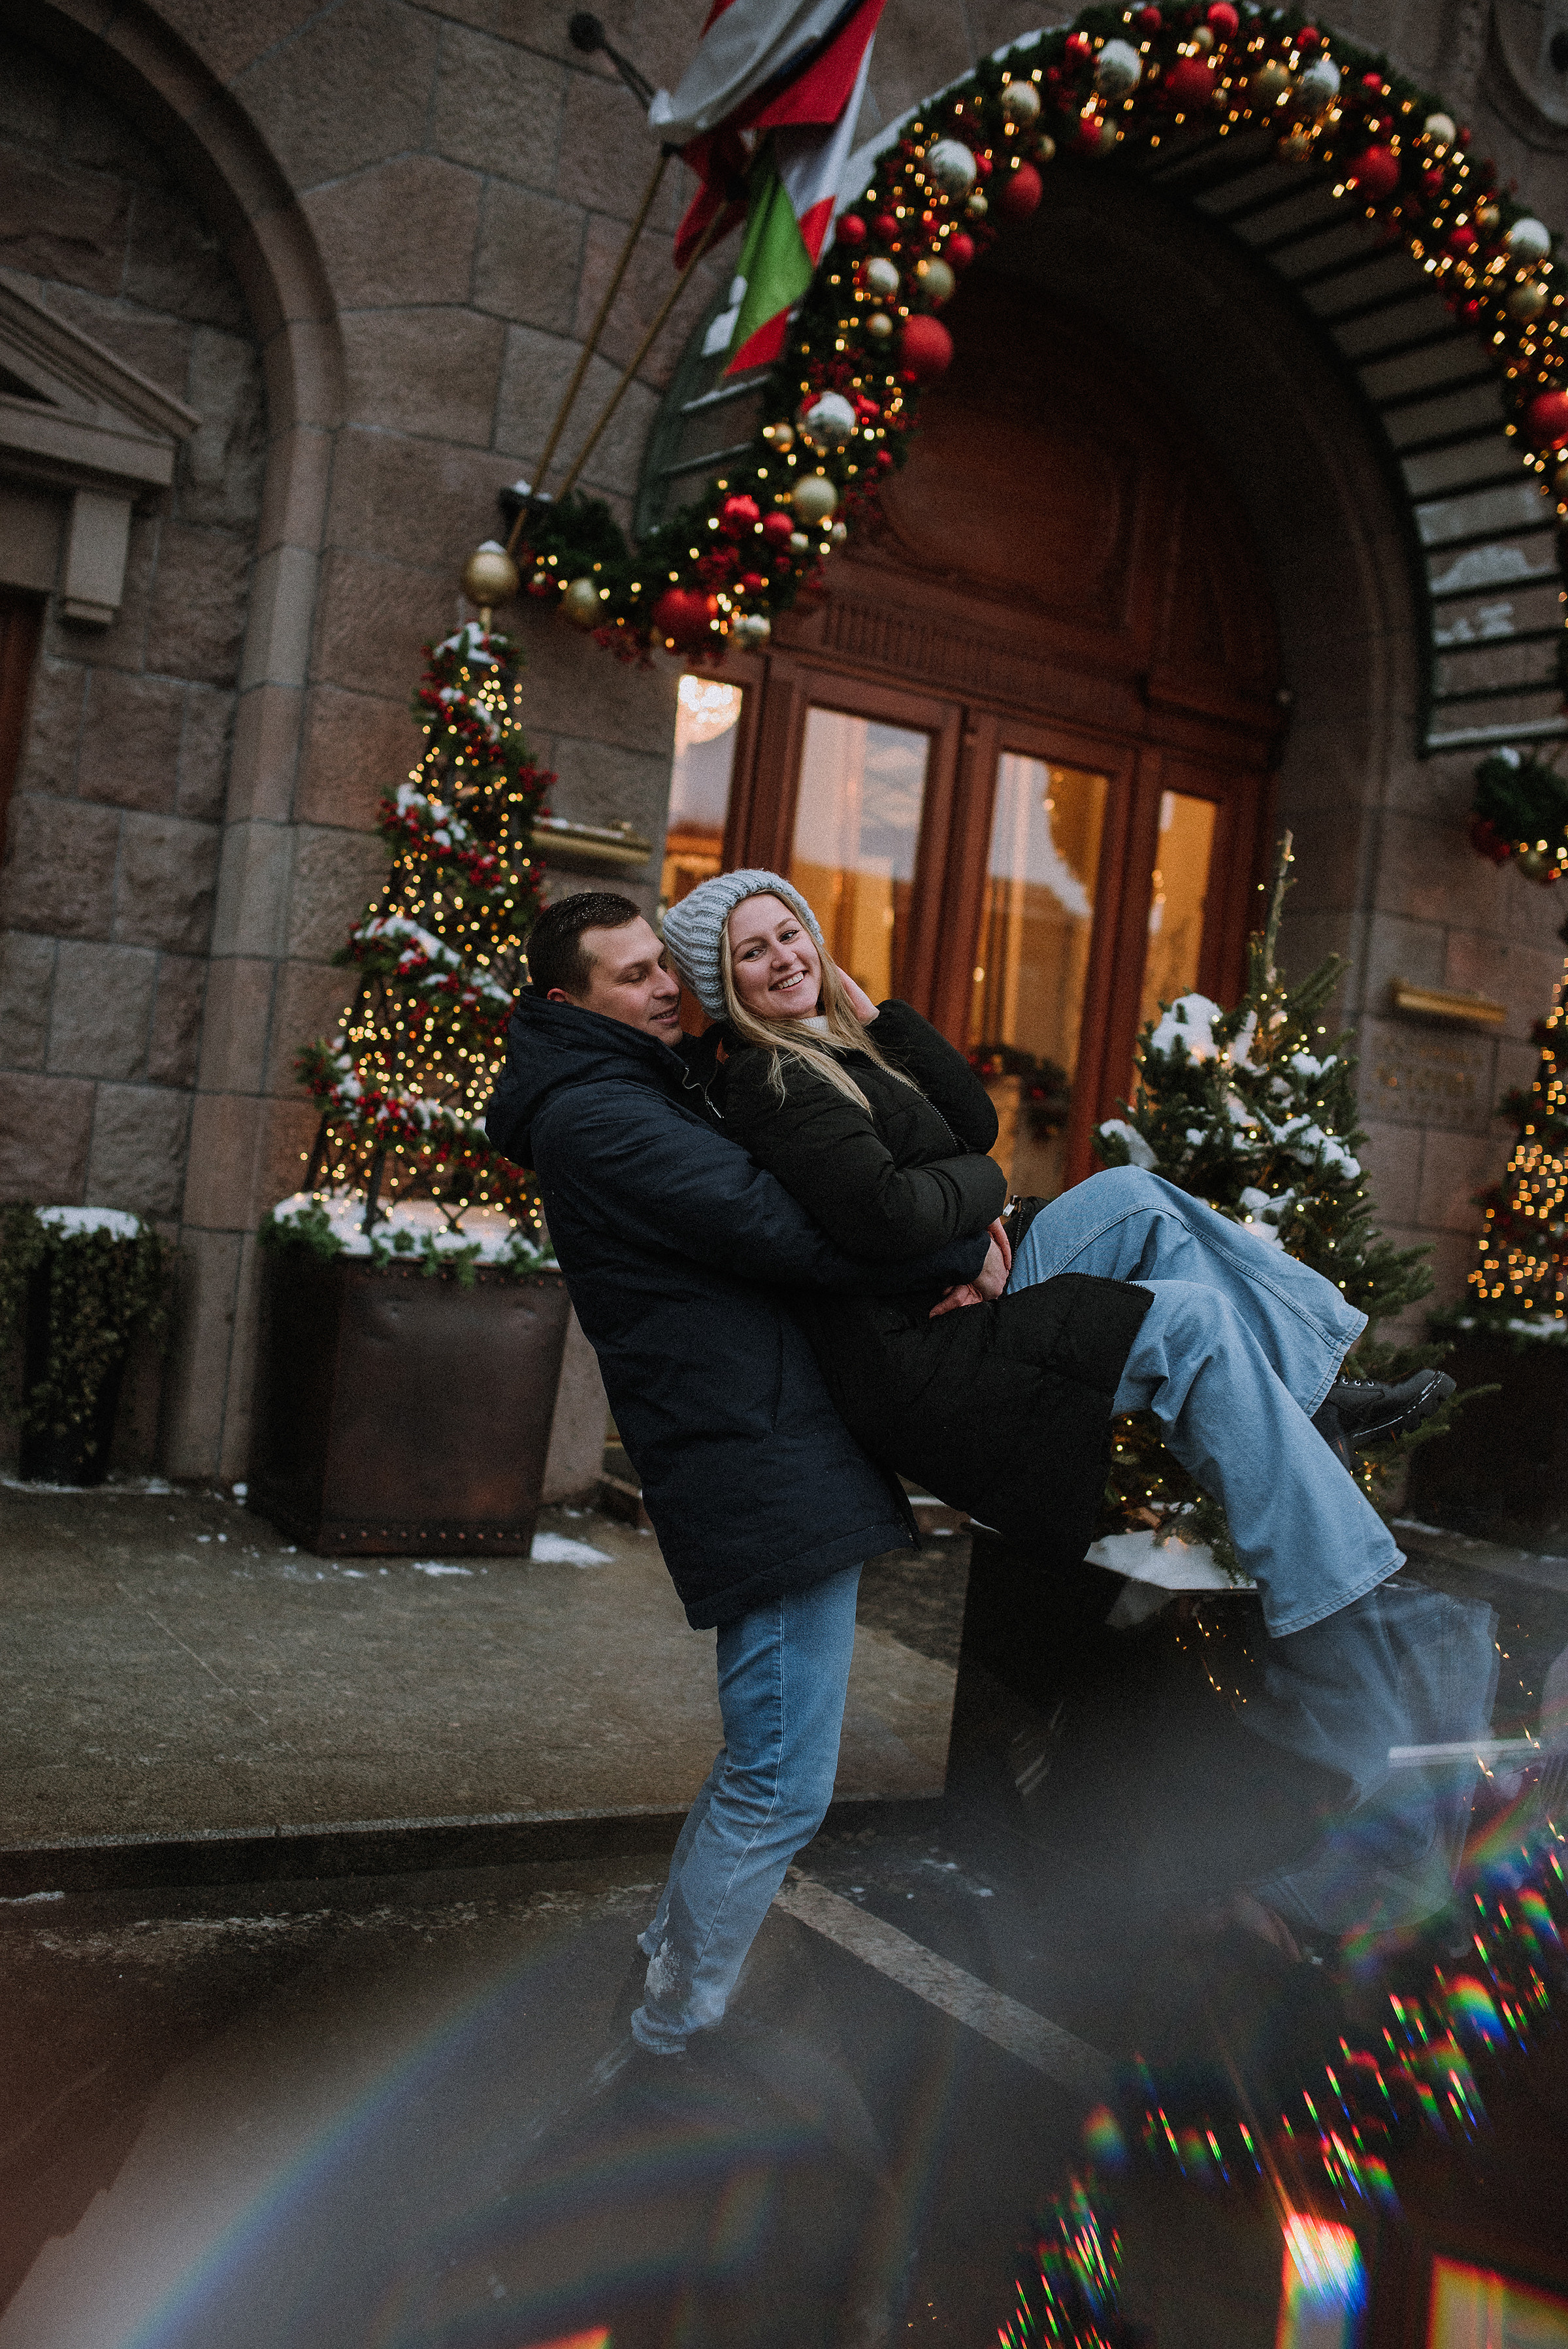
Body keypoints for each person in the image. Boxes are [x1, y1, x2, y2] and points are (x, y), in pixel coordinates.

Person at [660, 867, 1454, 1654]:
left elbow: (971, 1122)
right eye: (753, 952)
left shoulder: (831, 1045)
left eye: (791, 934)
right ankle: (1343, 1597)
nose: (784, 957)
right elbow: (889, 1210)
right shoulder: (776, 1077)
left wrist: (877, 1017)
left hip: (947, 1282)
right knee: (1189, 1320)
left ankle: (1316, 1400)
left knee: (1136, 1199)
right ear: (726, 985)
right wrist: (980, 1213)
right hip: (922, 1344)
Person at [485, 890, 1013, 2062]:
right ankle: (671, 2032)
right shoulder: (601, 1114)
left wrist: (870, 1029)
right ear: (570, 1000)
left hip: (771, 1436)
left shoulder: (643, 1083)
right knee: (779, 1780)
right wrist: (959, 1241)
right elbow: (786, 1226)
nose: (665, 987)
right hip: (753, 1454)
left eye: (662, 965)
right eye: (633, 976)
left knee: (768, 1765)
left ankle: (670, 1966)